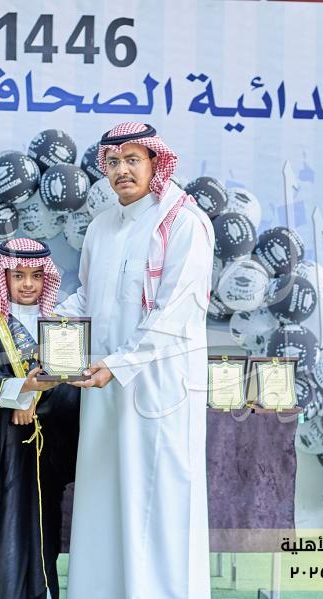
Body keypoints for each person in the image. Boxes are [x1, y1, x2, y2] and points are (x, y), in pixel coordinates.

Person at [57, 122, 215, 598]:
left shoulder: (183, 222)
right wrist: (44, 330)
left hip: (159, 392)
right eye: (113, 162)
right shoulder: (102, 226)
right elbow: (87, 299)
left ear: (154, 163)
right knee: (102, 503)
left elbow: (176, 313)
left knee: (159, 509)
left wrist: (120, 365)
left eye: (132, 160)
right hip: (101, 389)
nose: (121, 170)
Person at [0, 237, 80, 599]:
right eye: (18, 275)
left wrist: (32, 400)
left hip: (43, 454)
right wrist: (22, 391)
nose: (27, 284)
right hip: (1, 453)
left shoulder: (58, 326)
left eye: (36, 276)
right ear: (3, 278)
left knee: (42, 529)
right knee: (0, 529)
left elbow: (67, 383)